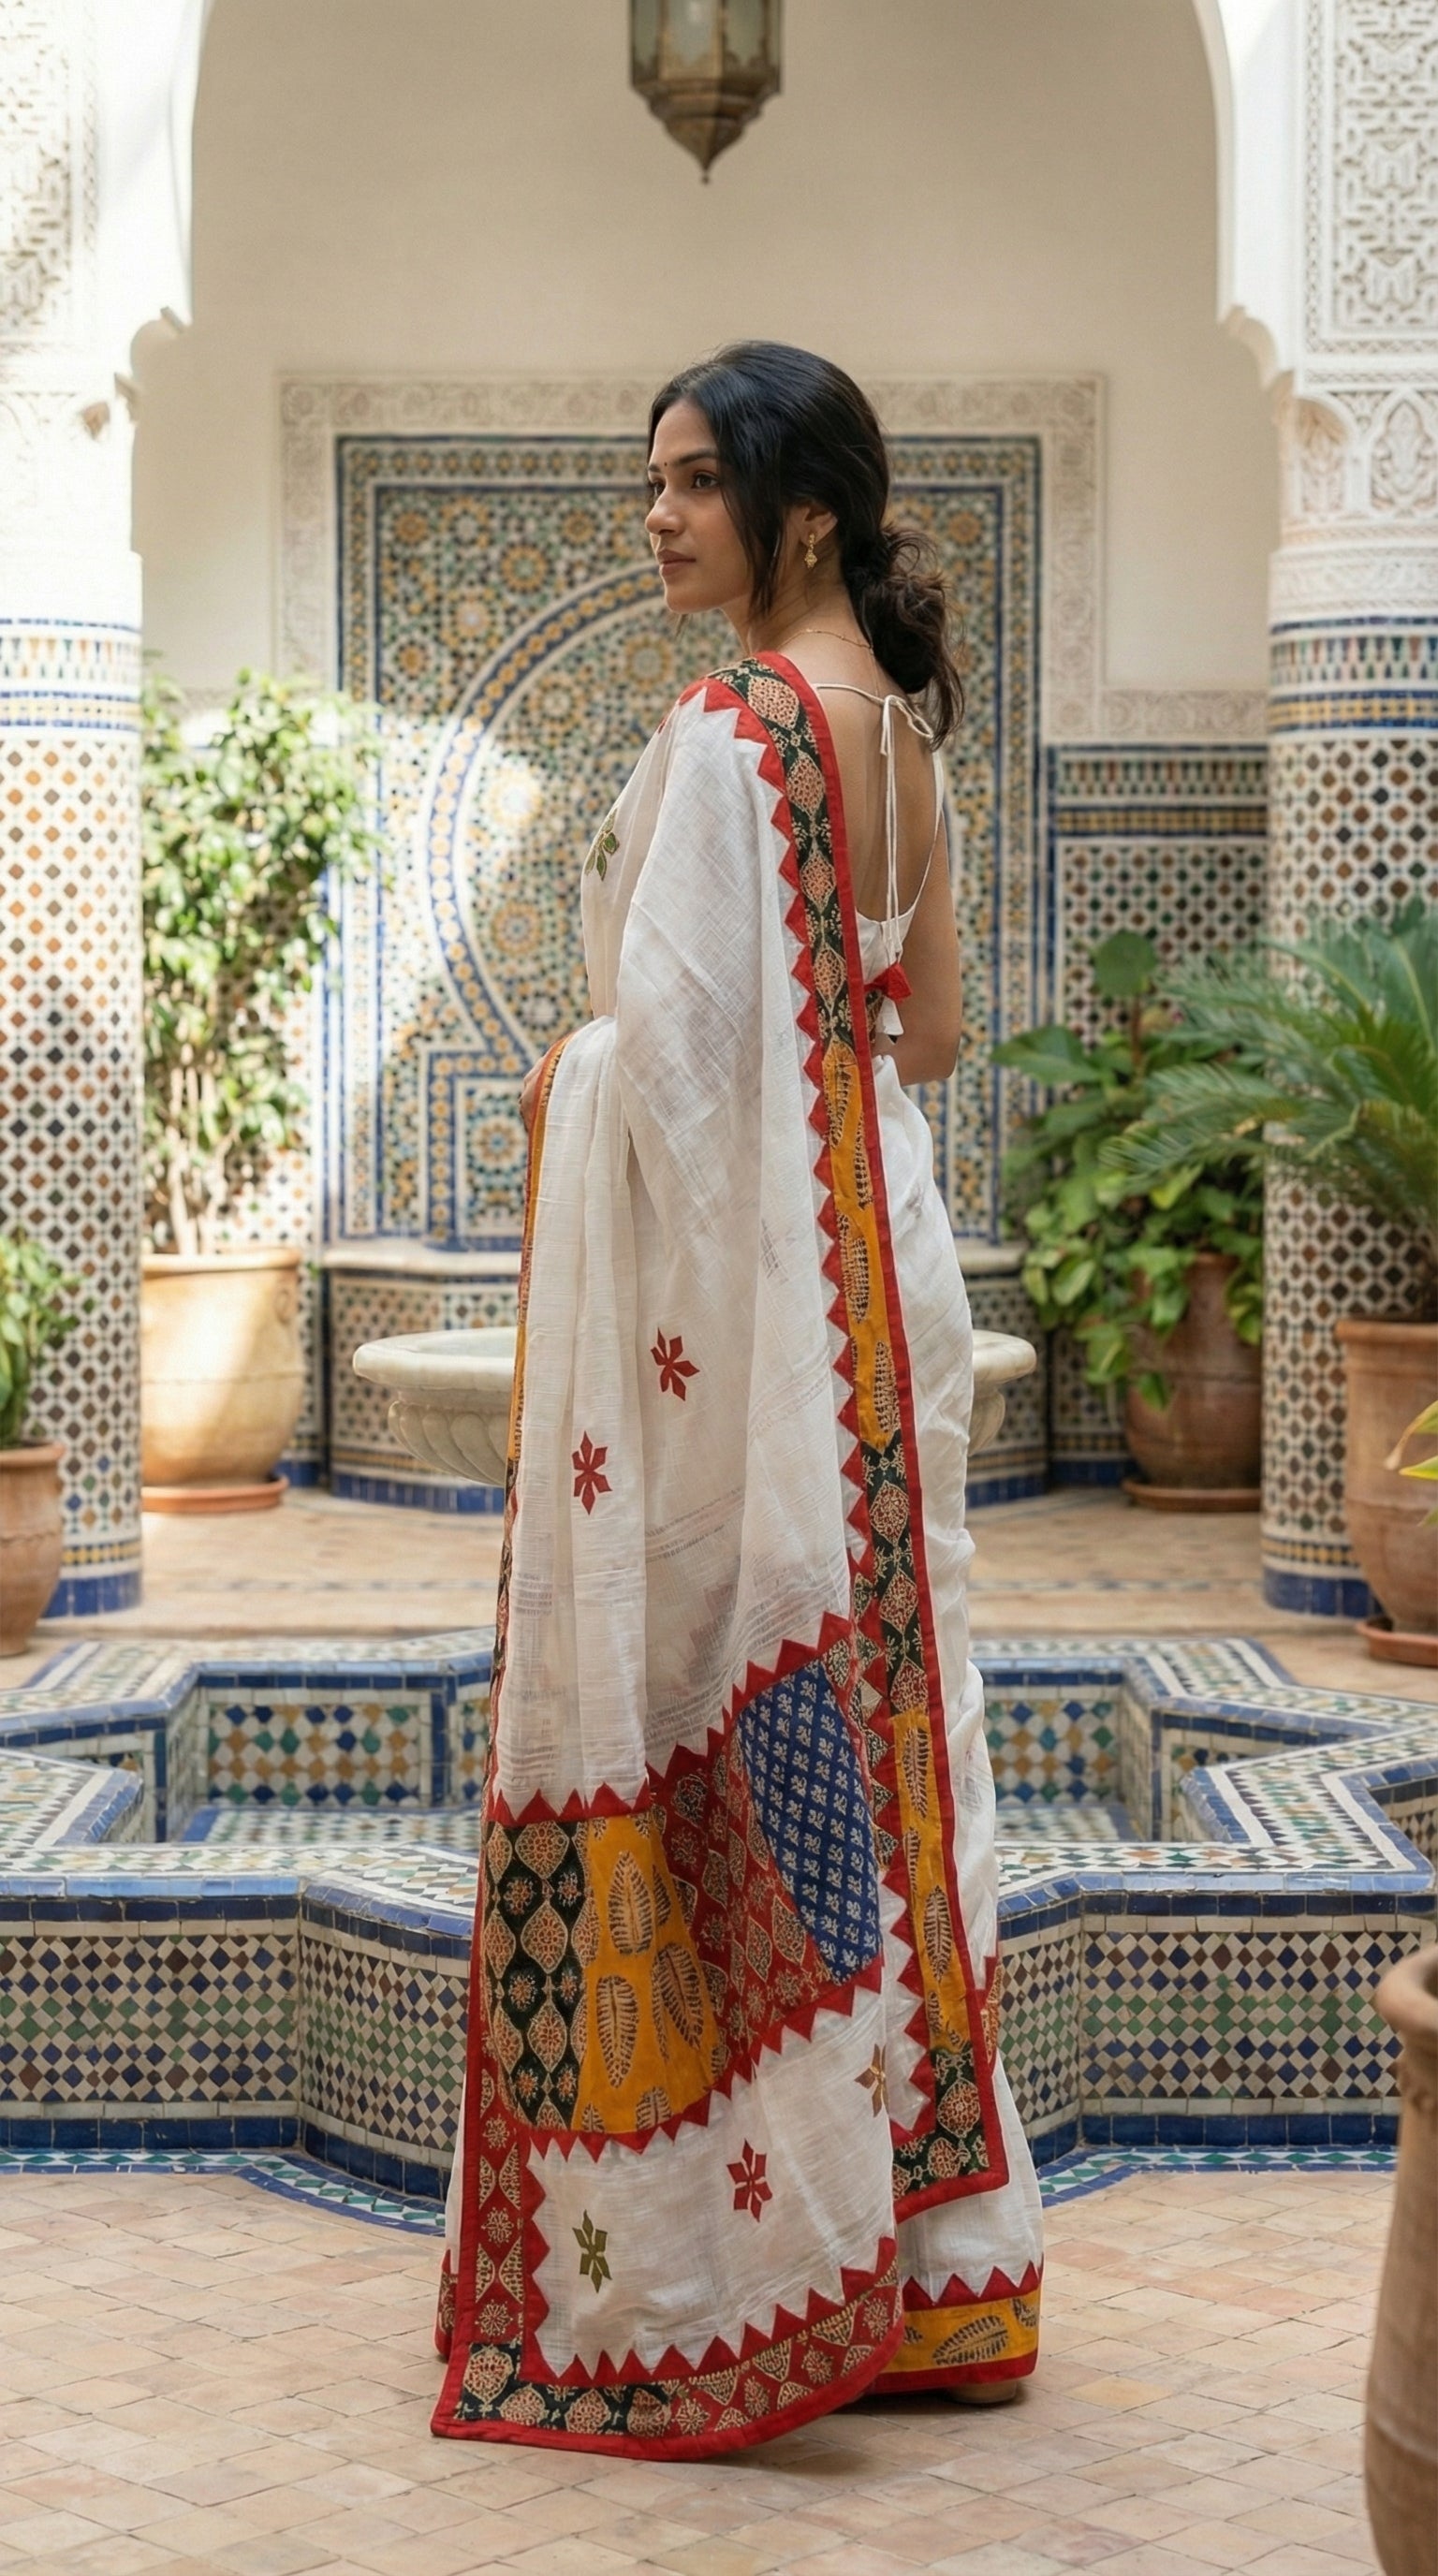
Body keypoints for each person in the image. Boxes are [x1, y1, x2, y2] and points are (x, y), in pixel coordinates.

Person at [432, 343, 1042, 2457]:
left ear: (799, 505)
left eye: (696, 482)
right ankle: (933, 2259)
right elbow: (933, 1042)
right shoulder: (904, 738)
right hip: (894, 1263)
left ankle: (750, 2260)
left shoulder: (728, 732)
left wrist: (570, 1077)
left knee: (747, 1700)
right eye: (653, 483)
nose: (661, 517)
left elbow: (671, 1080)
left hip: (775, 1286)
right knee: (895, 1724)